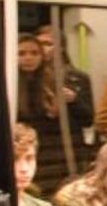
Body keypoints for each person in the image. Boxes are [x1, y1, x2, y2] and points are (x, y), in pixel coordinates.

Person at [17, 34, 92, 193]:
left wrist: (73, 102)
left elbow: (85, 120)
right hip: (30, 156)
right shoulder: (10, 86)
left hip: (57, 156)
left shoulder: (55, 82)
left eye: (34, 53)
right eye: (22, 53)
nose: (28, 58)